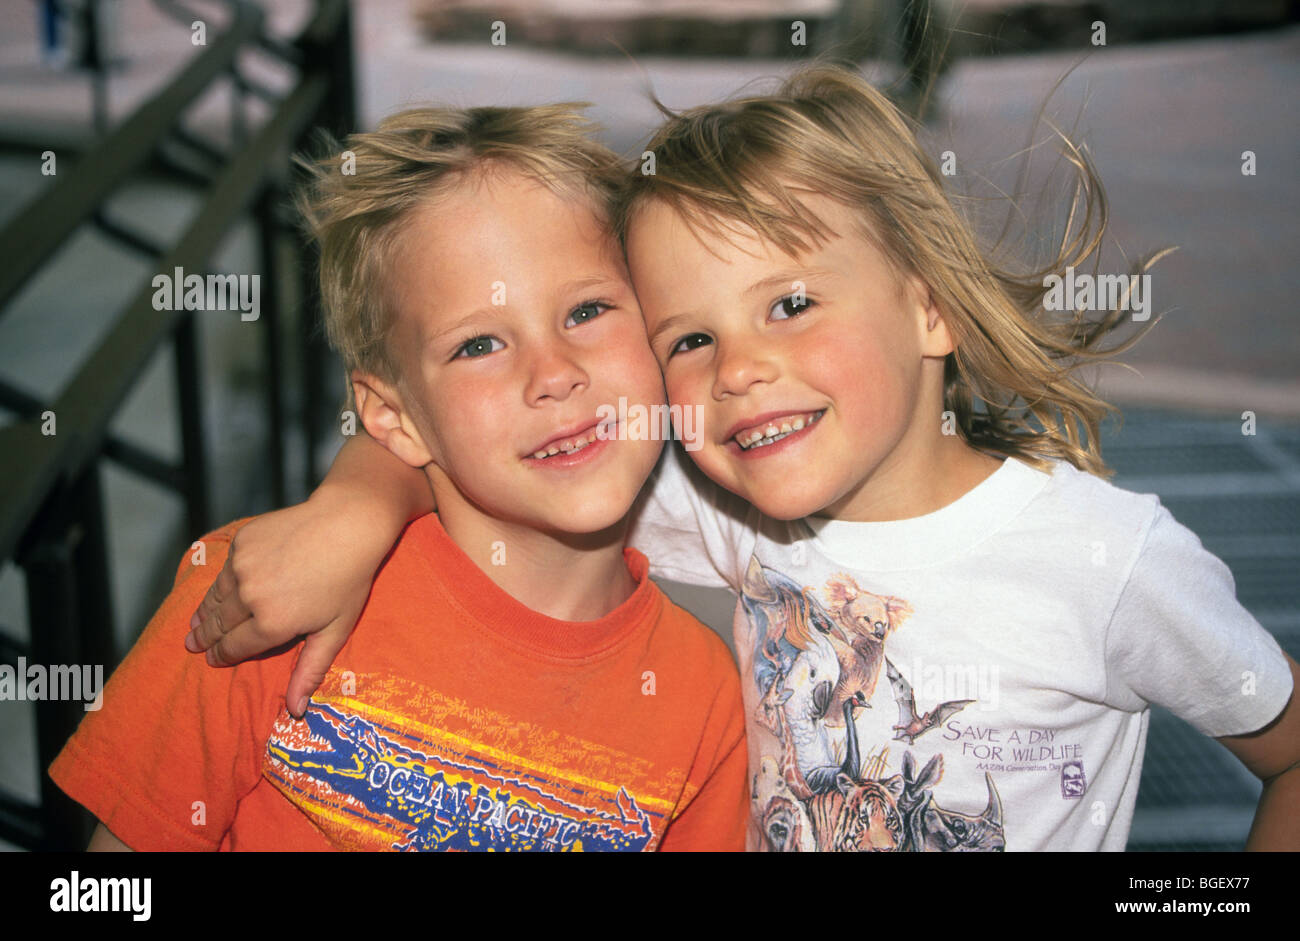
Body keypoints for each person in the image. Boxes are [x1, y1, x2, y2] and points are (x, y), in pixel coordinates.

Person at [186, 68, 1300, 851]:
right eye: (690, 337)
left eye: (792, 303)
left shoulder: (1108, 560)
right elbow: (467, 442)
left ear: (929, 305)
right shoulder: (735, 505)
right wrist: (347, 509)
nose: (741, 368)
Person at [48, 103, 748, 852]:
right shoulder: (264, 597)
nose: (553, 374)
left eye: (586, 310)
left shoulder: (702, 699)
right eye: (478, 344)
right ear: (393, 414)